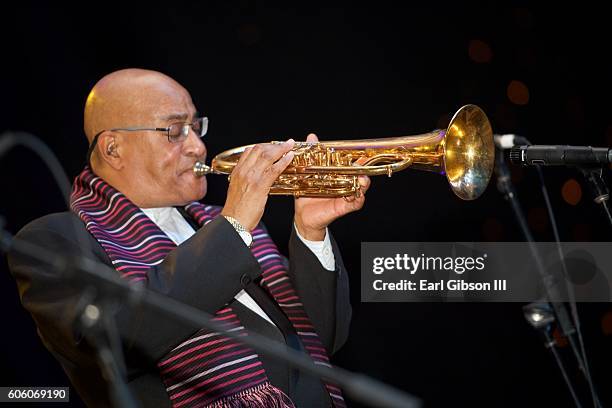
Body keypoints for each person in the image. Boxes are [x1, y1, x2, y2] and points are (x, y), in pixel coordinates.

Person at [8, 68, 370, 407]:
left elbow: (320, 341)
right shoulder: (51, 240)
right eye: (175, 130)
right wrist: (233, 226)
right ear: (113, 149)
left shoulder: (220, 224)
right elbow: (118, 341)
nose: (198, 146)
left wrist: (310, 231)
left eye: (196, 127)